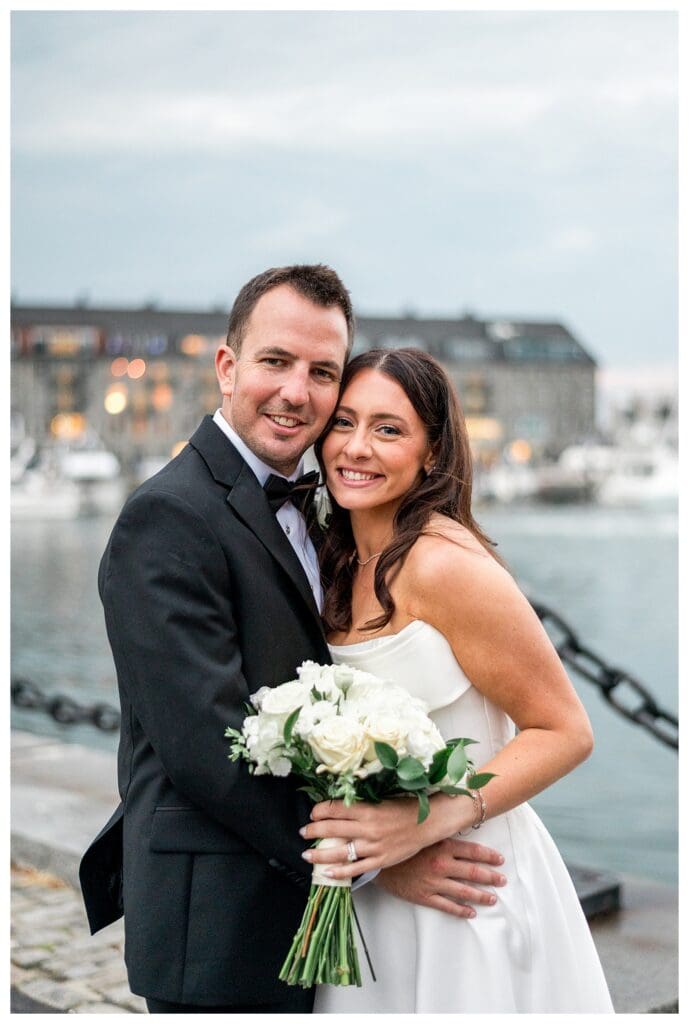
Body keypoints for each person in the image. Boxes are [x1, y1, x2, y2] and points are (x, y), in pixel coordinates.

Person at [78, 266, 507, 1014]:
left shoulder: (326, 511)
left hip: (312, 908)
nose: (297, 393)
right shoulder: (168, 519)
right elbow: (209, 749)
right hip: (220, 916)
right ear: (226, 366)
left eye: (322, 373)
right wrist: (374, 860)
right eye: (275, 361)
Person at [303, 347, 614, 1013]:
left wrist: (425, 826)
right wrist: (379, 854)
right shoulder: (331, 557)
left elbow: (564, 731)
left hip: (466, 882)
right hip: (378, 882)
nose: (356, 448)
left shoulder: (447, 567)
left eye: (387, 429)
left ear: (432, 451)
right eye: (344, 422)